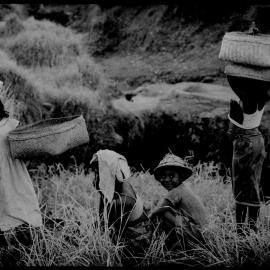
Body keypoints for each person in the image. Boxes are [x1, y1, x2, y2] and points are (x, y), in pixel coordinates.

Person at [0, 84, 42, 264]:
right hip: (14, 177)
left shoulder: (13, 125)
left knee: (12, 214)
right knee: (19, 212)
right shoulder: (12, 124)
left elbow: (27, 151)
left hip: (11, 177)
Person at [224, 70, 270, 234]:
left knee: (242, 186)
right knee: (253, 182)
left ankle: (241, 229)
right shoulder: (262, 94)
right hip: (257, 140)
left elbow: (233, 80)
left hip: (245, 145)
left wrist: (229, 69)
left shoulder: (248, 99)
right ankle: (251, 226)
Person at [149, 153, 209, 250]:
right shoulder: (182, 188)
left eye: (172, 176)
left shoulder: (176, 191)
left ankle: (169, 244)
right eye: (163, 176)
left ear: (180, 177)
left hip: (197, 233)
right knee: (164, 208)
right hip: (200, 232)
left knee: (163, 212)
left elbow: (157, 210)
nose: (167, 179)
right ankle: (173, 242)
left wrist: (147, 222)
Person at [89, 149, 149, 240]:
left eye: (97, 173)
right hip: (127, 230)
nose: (94, 177)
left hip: (138, 239)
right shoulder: (117, 186)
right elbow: (102, 216)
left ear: (107, 174)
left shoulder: (121, 201)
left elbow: (104, 227)